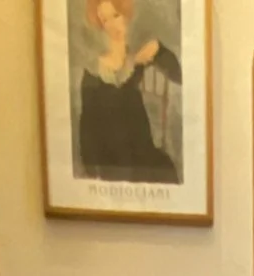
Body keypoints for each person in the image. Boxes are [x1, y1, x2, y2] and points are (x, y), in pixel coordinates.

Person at [78, 0, 182, 183]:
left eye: (116, 16)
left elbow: (181, 76)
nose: (112, 25)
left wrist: (159, 50)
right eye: (105, 20)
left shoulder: (139, 55)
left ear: (125, 15)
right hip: (109, 160)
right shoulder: (94, 70)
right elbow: (87, 130)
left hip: (140, 152)